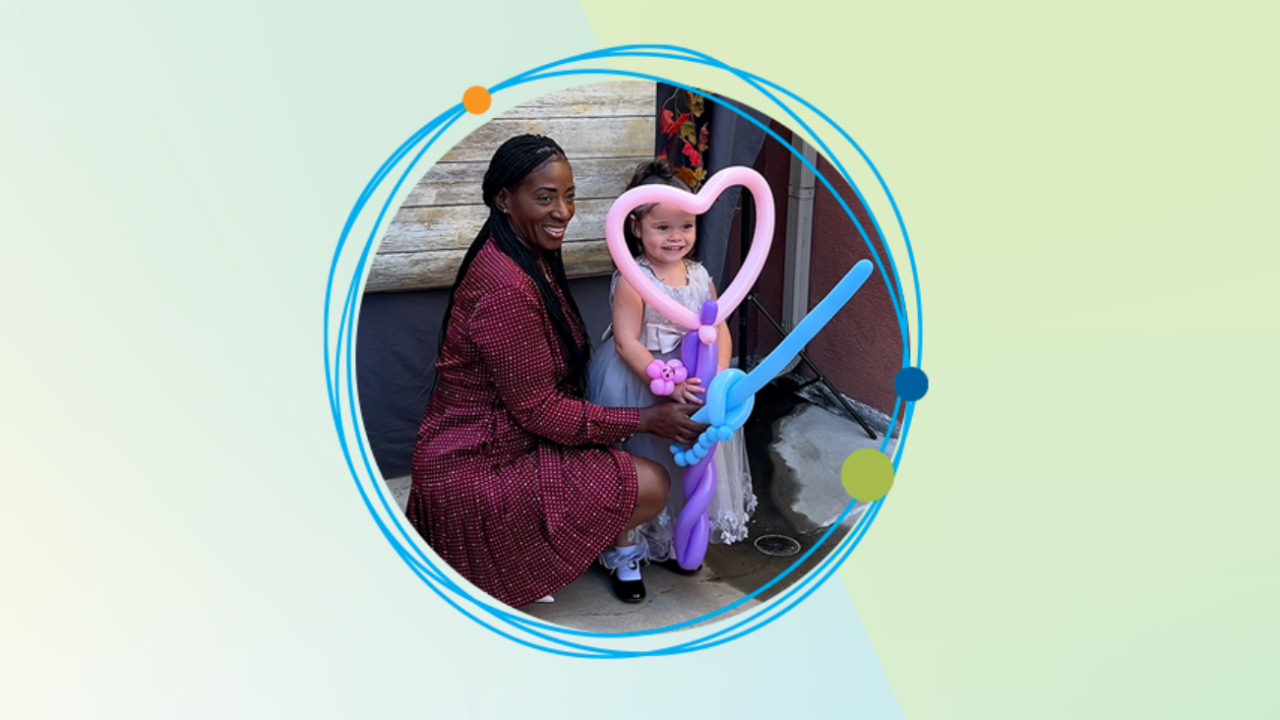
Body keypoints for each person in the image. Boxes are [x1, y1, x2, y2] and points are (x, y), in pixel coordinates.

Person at [405, 135, 707, 609]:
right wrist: (646, 420)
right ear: (504, 200)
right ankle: (513, 563)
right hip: (477, 465)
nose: (563, 211)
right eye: (545, 197)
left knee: (624, 461)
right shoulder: (506, 288)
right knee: (651, 484)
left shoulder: (526, 255)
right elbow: (541, 412)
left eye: (569, 196)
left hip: (509, 436)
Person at [587, 157, 756, 602]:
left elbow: (717, 327)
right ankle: (626, 550)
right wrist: (661, 379)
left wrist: (717, 375)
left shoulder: (699, 276)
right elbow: (627, 341)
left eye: (686, 226)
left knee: (685, 458)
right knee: (638, 461)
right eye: (662, 227)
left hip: (695, 381)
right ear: (636, 227)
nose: (675, 236)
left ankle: (678, 533)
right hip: (640, 381)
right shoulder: (633, 278)